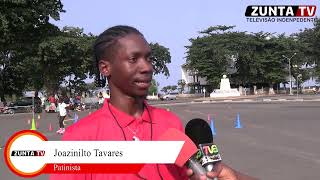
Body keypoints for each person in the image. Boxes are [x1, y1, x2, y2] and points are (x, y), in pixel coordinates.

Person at [50, 25, 257, 180]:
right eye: (134, 59)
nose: (147, 67)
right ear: (105, 68)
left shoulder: (170, 124)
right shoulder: (80, 137)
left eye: (148, 59)